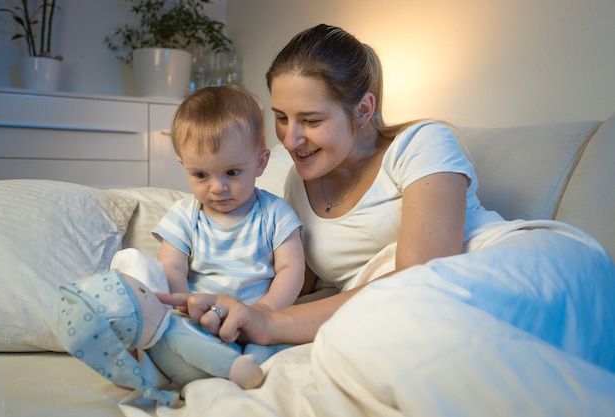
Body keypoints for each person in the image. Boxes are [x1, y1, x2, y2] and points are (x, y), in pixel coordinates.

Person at [157, 24, 614, 352]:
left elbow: (423, 276)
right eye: (281, 117)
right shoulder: (298, 183)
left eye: (311, 120)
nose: (290, 139)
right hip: (399, 307)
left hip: (505, 270)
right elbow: (296, 276)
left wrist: (272, 323)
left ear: (363, 108)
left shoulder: (421, 144)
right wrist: (225, 298)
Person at [153, 85, 305, 334]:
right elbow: (171, 267)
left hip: (256, 321)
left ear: (260, 163)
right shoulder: (183, 216)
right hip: (198, 321)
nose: (218, 187)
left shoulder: (276, 213)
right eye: (200, 175)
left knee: (265, 355)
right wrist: (185, 308)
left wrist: (265, 310)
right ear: (185, 166)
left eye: (232, 173)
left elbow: (292, 269)